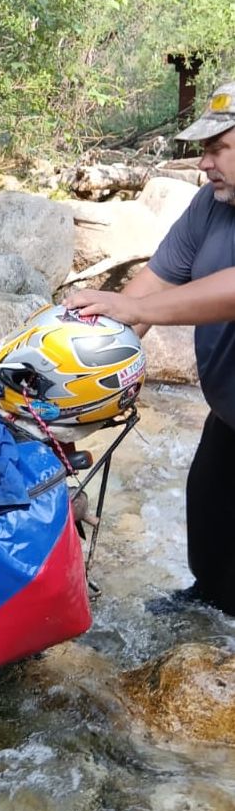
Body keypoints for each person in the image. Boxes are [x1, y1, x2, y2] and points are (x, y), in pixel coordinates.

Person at [67, 81, 235, 617]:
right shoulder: (210, 205)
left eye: (217, 148)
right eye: (202, 149)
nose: (204, 163)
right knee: (209, 524)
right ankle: (203, 623)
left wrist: (137, 313)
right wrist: (70, 373)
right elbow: (147, 292)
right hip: (230, 412)